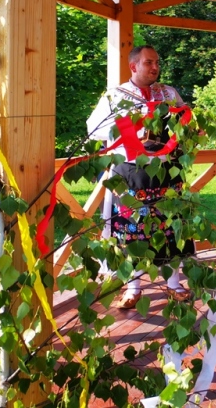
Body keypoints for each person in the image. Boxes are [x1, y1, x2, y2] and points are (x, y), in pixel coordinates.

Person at [86, 45, 194, 309]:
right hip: (131, 170)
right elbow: (94, 130)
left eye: (157, 62)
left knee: (172, 228)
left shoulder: (169, 93)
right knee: (130, 231)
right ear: (134, 66)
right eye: (149, 62)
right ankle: (133, 289)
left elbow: (186, 122)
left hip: (167, 170)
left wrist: (186, 125)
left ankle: (174, 284)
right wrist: (127, 126)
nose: (155, 67)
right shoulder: (115, 96)